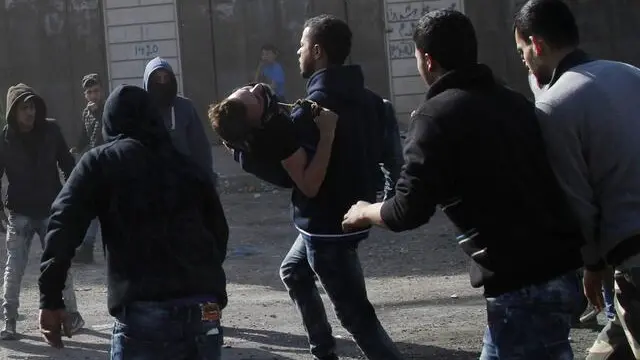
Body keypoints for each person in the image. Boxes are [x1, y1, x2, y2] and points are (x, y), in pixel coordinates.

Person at [342, 9, 585, 359]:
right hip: (556, 273)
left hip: (522, 286)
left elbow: (408, 208)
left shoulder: (435, 116)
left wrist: (365, 211)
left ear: (428, 60)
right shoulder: (513, 101)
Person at [38, 85, 229, 358]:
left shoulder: (102, 162)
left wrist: (51, 298)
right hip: (205, 310)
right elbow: (218, 232)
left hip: (143, 312)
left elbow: (63, 224)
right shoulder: (187, 167)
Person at [513, 0, 640, 358]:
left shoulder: (554, 106)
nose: (523, 60)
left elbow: (576, 199)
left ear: (536, 44)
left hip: (632, 256)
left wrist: (592, 265)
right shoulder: (630, 72)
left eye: (522, 51)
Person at [282, 14, 401, 360]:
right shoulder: (374, 103)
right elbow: (393, 160)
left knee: (357, 317)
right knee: (293, 271)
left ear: (317, 51)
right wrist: (385, 208)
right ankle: (323, 351)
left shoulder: (310, 113)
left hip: (324, 230)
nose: (297, 51)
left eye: (302, 45)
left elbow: (293, 174)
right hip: (350, 219)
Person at [0, 83, 84, 340]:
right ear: (13, 111)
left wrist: (74, 200)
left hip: (52, 209)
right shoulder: (5, 138)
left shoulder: (51, 131)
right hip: (20, 213)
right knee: (14, 268)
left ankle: (72, 315)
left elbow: (69, 166)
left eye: (32, 106)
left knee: (61, 265)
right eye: (24, 108)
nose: (30, 112)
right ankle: (9, 320)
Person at [209, 82, 338, 197]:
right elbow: (309, 187)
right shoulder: (278, 136)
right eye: (258, 98)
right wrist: (327, 133)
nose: (258, 87)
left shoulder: (239, 130)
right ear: (261, 124)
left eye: (248, 88)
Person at [143, 57, 218, 185]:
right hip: (152, 182)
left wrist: (207, 179)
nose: (162, 83)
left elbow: (200, 148)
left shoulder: (185, 107)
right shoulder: (140, 109)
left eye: (165, 78)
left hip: (183, 181)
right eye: (157, 79)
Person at [71, 73, 105, 264]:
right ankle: (87, 247)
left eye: (96, 91)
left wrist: (98, 110)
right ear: (85, 94)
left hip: (108, 163)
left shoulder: (108, 109)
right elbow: (85, 137)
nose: (93, 95)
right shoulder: (86, 112)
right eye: (90, 92)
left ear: (102, 91)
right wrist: (76, 148)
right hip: (93, 164)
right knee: (91, 207)